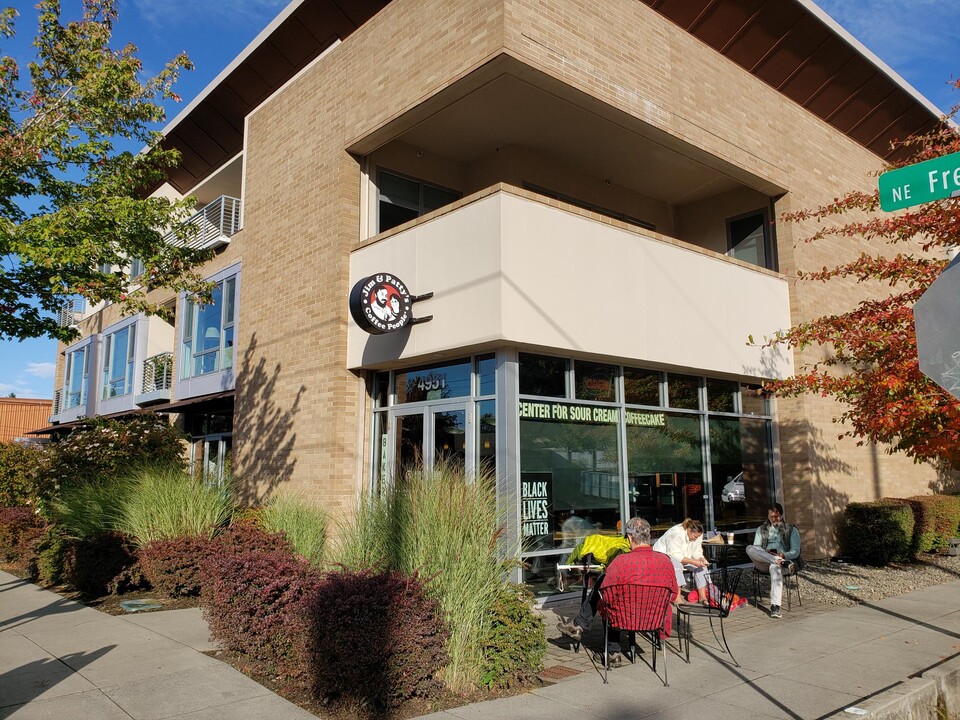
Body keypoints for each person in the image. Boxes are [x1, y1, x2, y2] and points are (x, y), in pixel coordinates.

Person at [557, 517, 678, 667]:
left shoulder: (621, 561)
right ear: (649, 536)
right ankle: (580, 625)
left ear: (629, 538)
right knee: (610, 595)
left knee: (607, 597)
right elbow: (673, 593)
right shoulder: (665, 561)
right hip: (654, 618)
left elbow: (606, 596)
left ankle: (611, 651)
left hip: (625, 617)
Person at [746, 502, 802, 619]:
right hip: (764, 561)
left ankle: (775, 606)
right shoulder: (761, 529)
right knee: (749, 548)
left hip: (784, 564)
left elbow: (796, 552)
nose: (773, 519)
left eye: (776, 516)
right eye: (771, 516)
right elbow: (756, 548)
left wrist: (782, 555)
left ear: (781, 516)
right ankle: (777, 560)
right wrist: (766, 553)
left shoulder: (791, 530)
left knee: (774, 567)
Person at [653, 518, 710, 605]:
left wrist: (700, 558)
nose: (696, 539)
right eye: (695, 537)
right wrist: (693, 562)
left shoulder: (697, 534)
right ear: (689, 530)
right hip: (664, 556)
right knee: (677, 566)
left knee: (702, 567)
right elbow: (674, 555)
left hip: (684, 556)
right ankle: (677, 597)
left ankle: (702, 597)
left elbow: (697, 550)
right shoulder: (676, 533)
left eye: (698, 537)